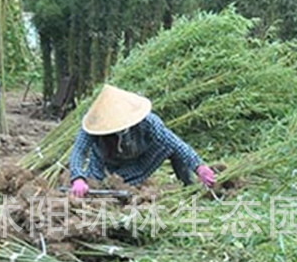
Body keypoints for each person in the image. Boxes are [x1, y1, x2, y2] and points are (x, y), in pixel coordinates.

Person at [68, 84, 216, 197]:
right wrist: (78, 178)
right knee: (100, 190)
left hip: (140, 161)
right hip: (105, 168)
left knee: (170, 148)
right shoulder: (94, 123)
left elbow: (175, 143)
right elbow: (79, 151)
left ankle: (188, 186)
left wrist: (199, 167)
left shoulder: (148, 122)